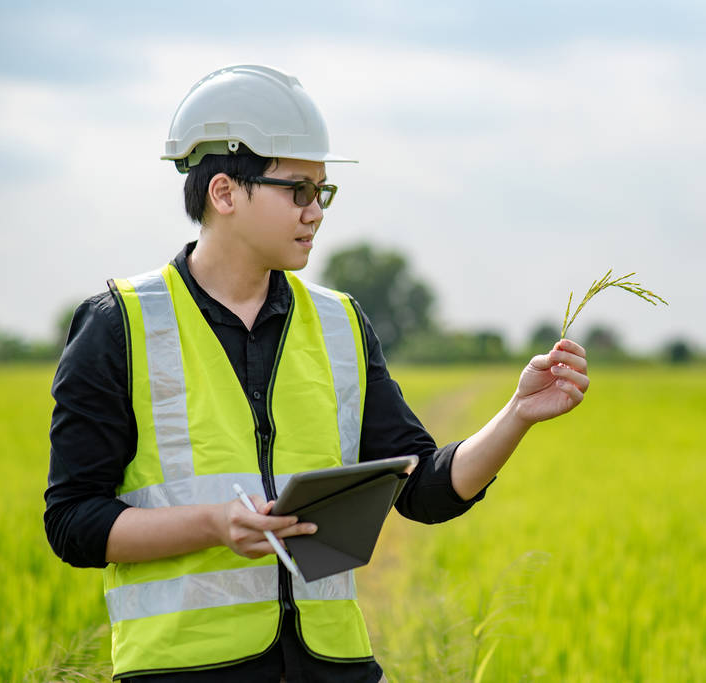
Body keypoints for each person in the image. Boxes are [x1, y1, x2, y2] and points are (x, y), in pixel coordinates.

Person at [44, 64, 589, 683]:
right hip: (185, 671)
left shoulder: (340, 324)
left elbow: (422, 489)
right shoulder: (120, 325)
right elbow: (72, 522)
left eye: (322, 192)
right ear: (224, 193)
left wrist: (518, 414)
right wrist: (215, 524)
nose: (316, 212)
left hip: (334, 667)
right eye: (297, 190)